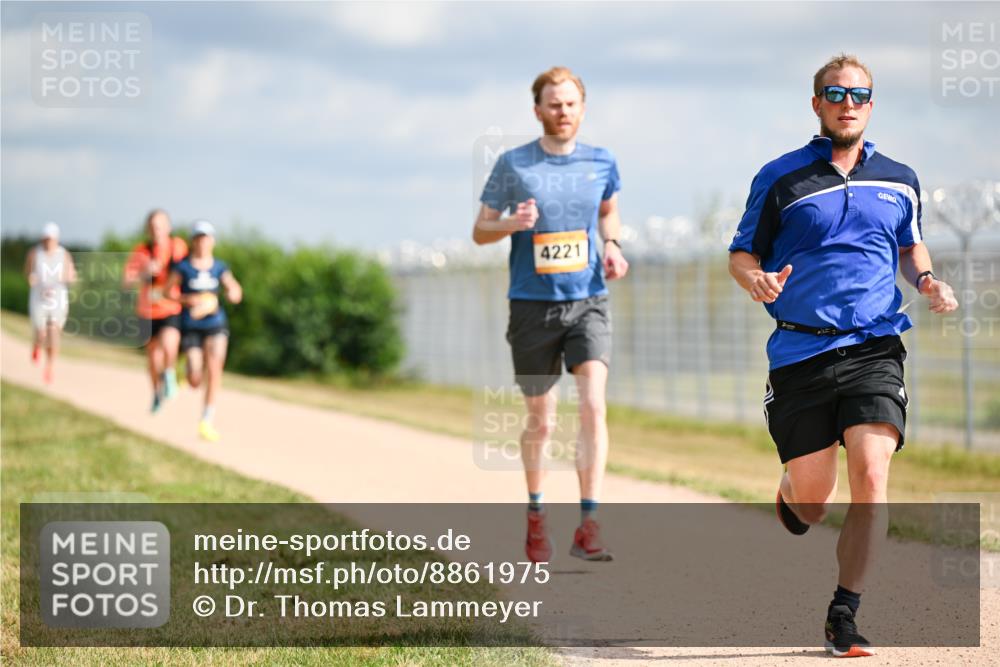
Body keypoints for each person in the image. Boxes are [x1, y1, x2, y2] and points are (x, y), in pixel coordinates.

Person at [727, 54, 958, 657]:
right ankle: (792, 491)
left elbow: (909, 244)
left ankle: (844, 613)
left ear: (871, 105)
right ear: (817, 104)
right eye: (835, 94)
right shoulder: (781, 178)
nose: (847, 103)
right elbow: (742, 254)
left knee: (872, 477)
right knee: (813, 503)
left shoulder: (899, 178)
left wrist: (927, 279)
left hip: (875, 346)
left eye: (858, 94)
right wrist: (754, 279)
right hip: (800, 351)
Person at [473, 66, 628, 563]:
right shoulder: (513, 164)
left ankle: (590, 523)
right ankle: (537, 514)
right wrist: (510, 222)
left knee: (593, 405)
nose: (563, 112)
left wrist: (612, 245)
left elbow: (607, 210)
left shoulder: (602, 161)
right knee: (542, 421)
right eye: (554, 104)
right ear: (537, 110)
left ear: (582, 108)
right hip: (531, 306)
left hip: (588, 301)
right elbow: (479, 230)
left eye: (570, 103)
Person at [165, 221, 242, 442]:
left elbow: (234, 288)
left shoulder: (219, 267)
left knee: (215, 368)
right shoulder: (183, 267)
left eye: (206, 238)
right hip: (192, 326)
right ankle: (185, 372)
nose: (203, 242)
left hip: (215, 324)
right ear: (193, 241)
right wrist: (187, 299)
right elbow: (167, 292)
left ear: (212, 241)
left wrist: (233, 293)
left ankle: (206, 421)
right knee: (195, 379)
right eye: (199, 238)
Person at [123, 209, 189, 413]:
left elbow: (189, 271)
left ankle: (169, 376)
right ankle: (156, 393)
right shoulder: (141, 251)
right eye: (153, 226)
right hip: (148, 311)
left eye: (160, 226)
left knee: (170, 344)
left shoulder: (178, 247)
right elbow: (126, 282)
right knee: (153, 358)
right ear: (148, 229)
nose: (156, 230)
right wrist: (144, 272)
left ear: (169, 227)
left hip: (171, 307)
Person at [25, 222, 76, 384]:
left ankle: (49, 367)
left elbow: (72, 275)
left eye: (51, 239)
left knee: (53, 333)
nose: (48, 242)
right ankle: (37, 345)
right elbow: (28, 273)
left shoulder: (64, 254)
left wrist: (65, 278)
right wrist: (31, 279)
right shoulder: (35, 253)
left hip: (57, 299)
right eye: (46, 239)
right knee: (41, 333)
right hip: (39, 298)